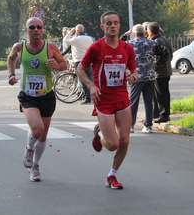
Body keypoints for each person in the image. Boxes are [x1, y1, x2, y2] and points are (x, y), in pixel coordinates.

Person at [76, 11, 138, 189]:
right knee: (112, 145)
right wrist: (91, 86)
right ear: (103, 27)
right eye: (108, 23)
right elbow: (80, 69)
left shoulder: (127, 48)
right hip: (103, 99)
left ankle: (112, 175)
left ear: (119, 26)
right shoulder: (96, 47)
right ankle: (100, 133)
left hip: (122, 98)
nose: (112, 26)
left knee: (124, 141)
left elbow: (135, 72)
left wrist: (133, 77)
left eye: (116, 23)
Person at [7, 17, 67, 181]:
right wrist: (11, 75)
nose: (35, 29)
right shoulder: (19, 47)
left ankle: (35, 166)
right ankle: (28, 149)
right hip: (28, 96)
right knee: (37, 129)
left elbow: (64, 64)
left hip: (46, 95)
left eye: (38, 27)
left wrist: (56, 65)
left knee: (43, 135)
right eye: (32, 27)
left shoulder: (50, 47)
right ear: (26, 29)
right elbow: (11, 58)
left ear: (42, 29)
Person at [129, 24, 169, 133]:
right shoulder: (152, 43)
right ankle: (148, 126)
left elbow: (119, 46)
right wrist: (157, 63)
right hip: (150, 75)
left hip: (136, 76)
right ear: (144, 32)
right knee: (148, 101)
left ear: (133, 34)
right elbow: (165, 53)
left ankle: (131, 126)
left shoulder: (130, 44)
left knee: (133, 101)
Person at [147, 22, 173, 123]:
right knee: (165, 92)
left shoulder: (156, 41)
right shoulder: (164, 39)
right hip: (166, 70)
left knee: (160, 94)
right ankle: (165, 113)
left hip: (160, 72)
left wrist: (155, 65)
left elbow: (158, 57)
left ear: (150, 31)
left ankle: (163, 115)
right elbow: (170, 53)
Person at [63, 24, 94, 104]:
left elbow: (65, 40)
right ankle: (88, 96)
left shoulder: (75, 39)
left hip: (79, 61)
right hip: (88, 61)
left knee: (82, 80)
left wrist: (70, 32)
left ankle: (87, 98)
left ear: (76, 31)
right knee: (88, 79)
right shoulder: (90, 39)